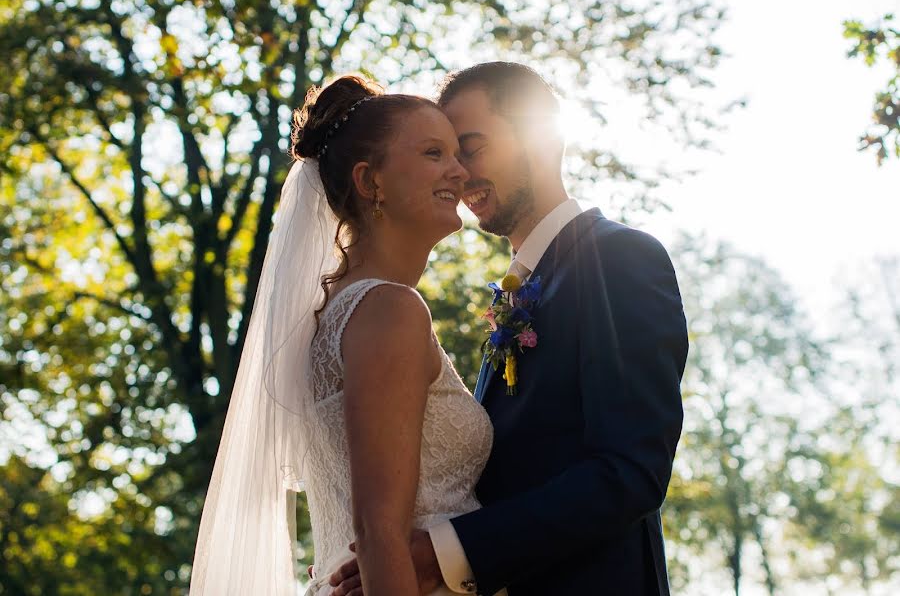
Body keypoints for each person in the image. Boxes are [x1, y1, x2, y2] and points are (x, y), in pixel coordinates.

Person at [328, 62, 689, 596]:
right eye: (442, 154)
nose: (457, 173)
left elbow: (630, 471)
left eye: (469, 148)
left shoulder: (618, 258)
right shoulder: (513, 292)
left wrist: (445, 553)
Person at [189, 75, 505, 596]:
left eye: (457, 152)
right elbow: (380, 534)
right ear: (369, 181)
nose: (459, 169)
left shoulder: (339, 314)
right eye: (433, 152)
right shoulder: (388, 310)